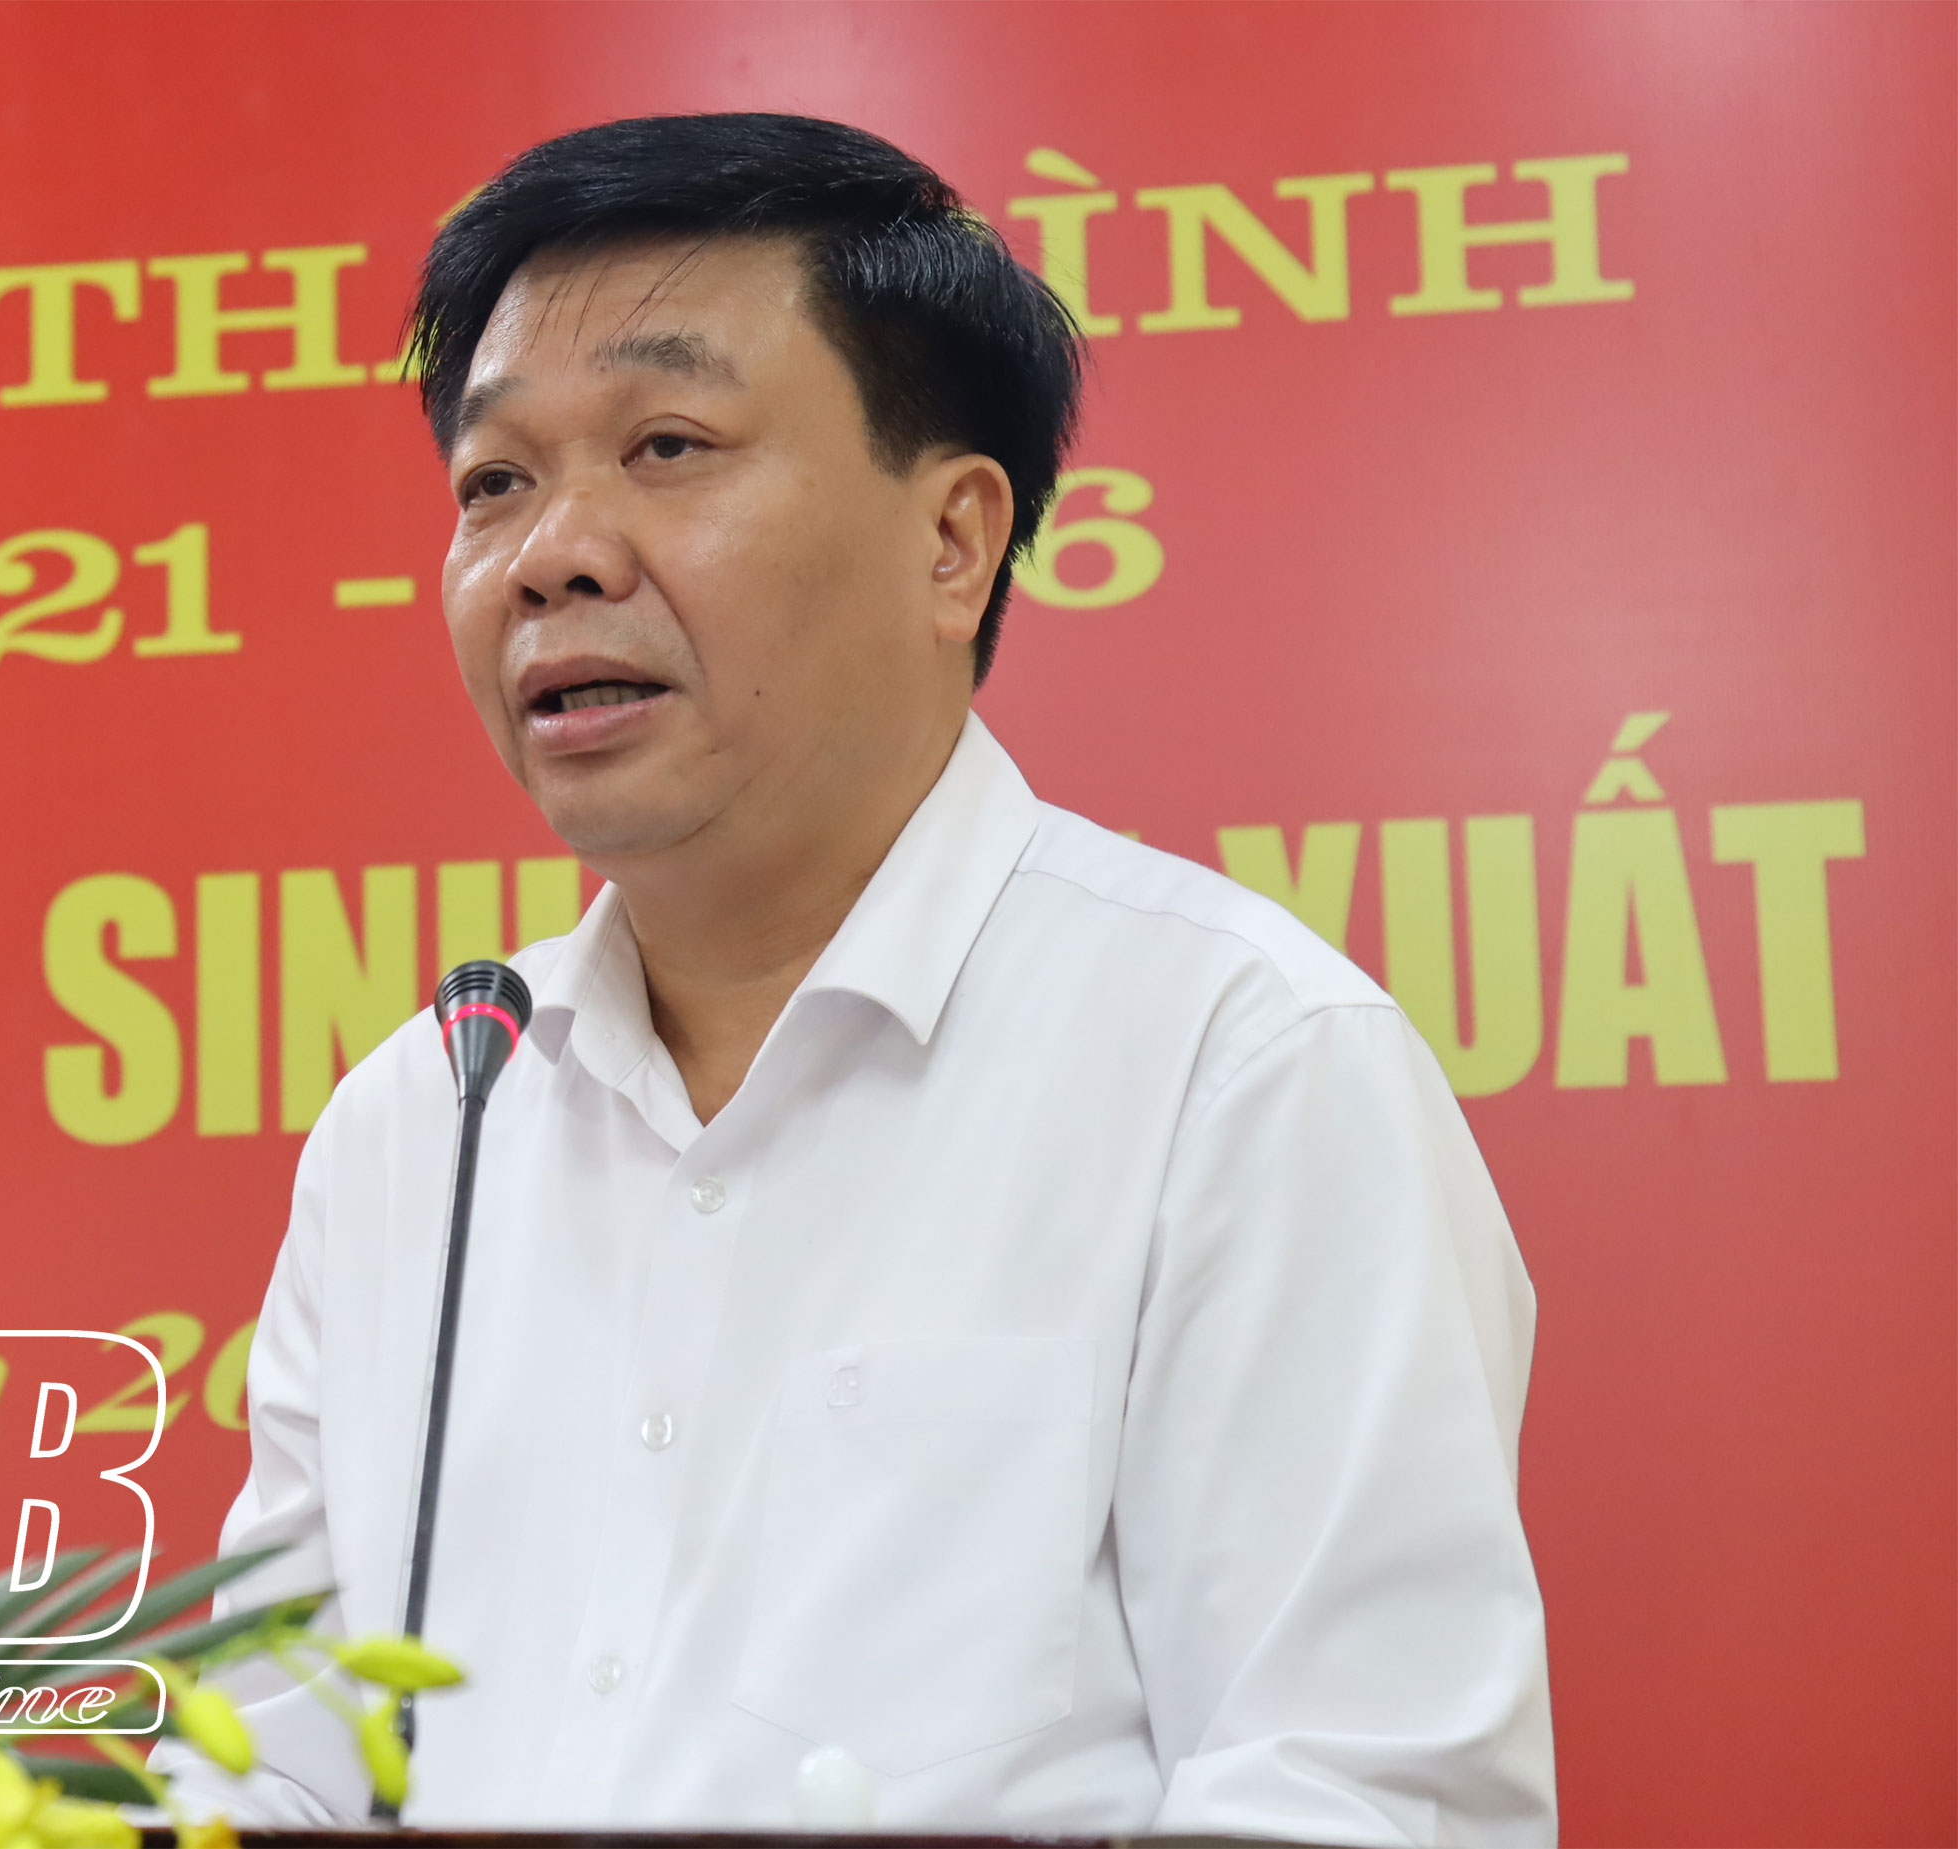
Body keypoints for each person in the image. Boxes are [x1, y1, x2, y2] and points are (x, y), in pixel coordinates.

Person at [162, 113, 1552, 1843]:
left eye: (667, 446)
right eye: (494, 483)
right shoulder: (423, 1125)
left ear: (954, 538)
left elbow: (1359, 1793)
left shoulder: (1238, 1065)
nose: (550, 554)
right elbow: (264, 1769)